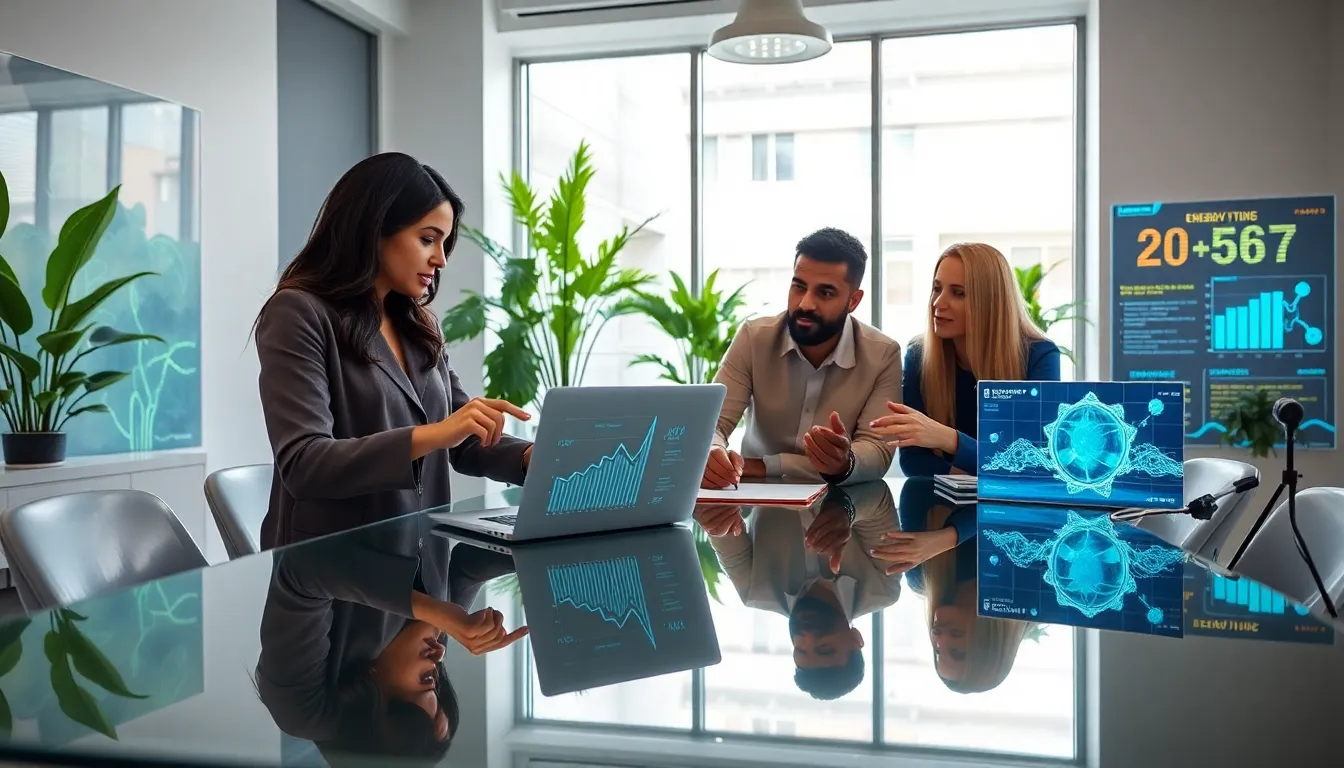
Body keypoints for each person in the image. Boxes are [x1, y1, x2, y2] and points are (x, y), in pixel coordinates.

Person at [255, 152, 534, 548]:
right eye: (427, 239)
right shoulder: (298, 312)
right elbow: (305, 463)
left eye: (444, 242)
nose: (440, 259)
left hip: (420, 563)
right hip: (330, 574)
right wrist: (435, 434)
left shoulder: (419, 325)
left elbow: (462, 437)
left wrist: (533, 458)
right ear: (374, 229)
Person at [703, 228, 902, 489]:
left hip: (841, 516)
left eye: (826, 293)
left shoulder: (883, 354)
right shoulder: (754, 338)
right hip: (753, 501)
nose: (806, 303)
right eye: (799, 286)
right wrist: (712, 450)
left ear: (853, 300)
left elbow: (877, 451)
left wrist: (845, 463)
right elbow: (713, 423)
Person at [694, 483, 901, 700]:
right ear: (856, 639)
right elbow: (879, 498)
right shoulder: (882, 587)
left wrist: (715, 516)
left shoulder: (754, 591)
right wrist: (844, 510)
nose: (806, 637)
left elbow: (715, 516)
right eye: (825, 648)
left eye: (800, 650)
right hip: (845, 455)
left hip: (763, 455)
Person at [872, 243, 1060, 476]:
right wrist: (985, 467)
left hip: (1013, 509)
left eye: (958, 293)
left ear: (990, 302)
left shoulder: (1039, 357)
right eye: (937, 288)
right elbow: (914, 462)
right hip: (941, 506)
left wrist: (948, 439)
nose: (938, 303)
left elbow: (1037, 463)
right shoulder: (919, 357)